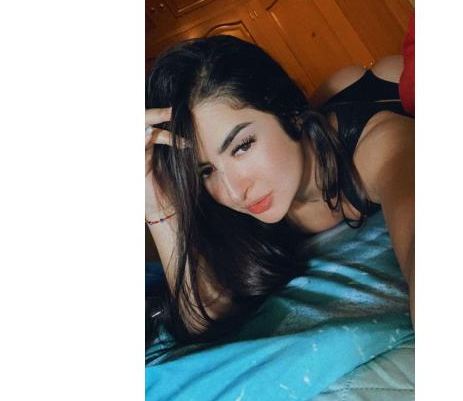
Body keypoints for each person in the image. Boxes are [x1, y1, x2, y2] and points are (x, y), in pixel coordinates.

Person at [145, 35, 414, 348]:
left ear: (288, 111)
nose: (235, 193)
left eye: (242, 146)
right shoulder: (232, 199)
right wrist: (155, 203)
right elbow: (203, 319)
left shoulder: (380, 147)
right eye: (205, 171)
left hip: (380, 95)